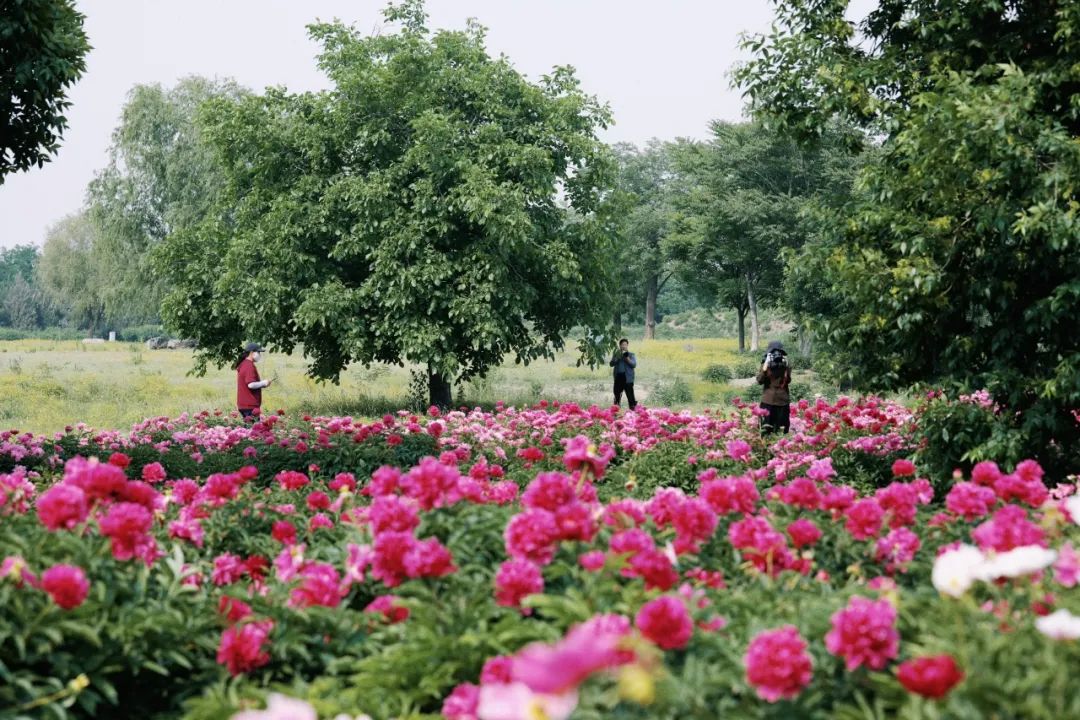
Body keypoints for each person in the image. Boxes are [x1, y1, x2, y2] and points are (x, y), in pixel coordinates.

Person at [756, 340, 791, 433]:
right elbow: (760, 380)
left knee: (780, 430)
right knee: (765, 429)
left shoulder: (785, 365)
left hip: (780, 401)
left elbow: (788, 381)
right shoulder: (766, 365)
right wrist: (765, 366)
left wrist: (786, 367)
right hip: (769, 401)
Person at [235, 342, 272, 419]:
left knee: (247, 429)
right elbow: (251, 384)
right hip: (250, 405)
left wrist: (262, 384)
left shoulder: (244, 363)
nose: (259, 355)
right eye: (258, 352)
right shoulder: (249, 365)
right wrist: (263, 383)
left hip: (244, 404)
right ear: (251, 352)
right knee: (254, 429)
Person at [609, 338, 638, 410]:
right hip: (618, 377)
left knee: (630, 396)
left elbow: (634, 365)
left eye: (625, 344)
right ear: (620, 346)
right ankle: (616, 411)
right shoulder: (616, 354)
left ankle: (633, 411)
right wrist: (617, 358)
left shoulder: (631, 355)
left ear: (627, 345)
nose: (624, 346)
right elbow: (611, 364)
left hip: (627, 378)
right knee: (617, 396)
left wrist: (627, 358)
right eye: (622, 345)